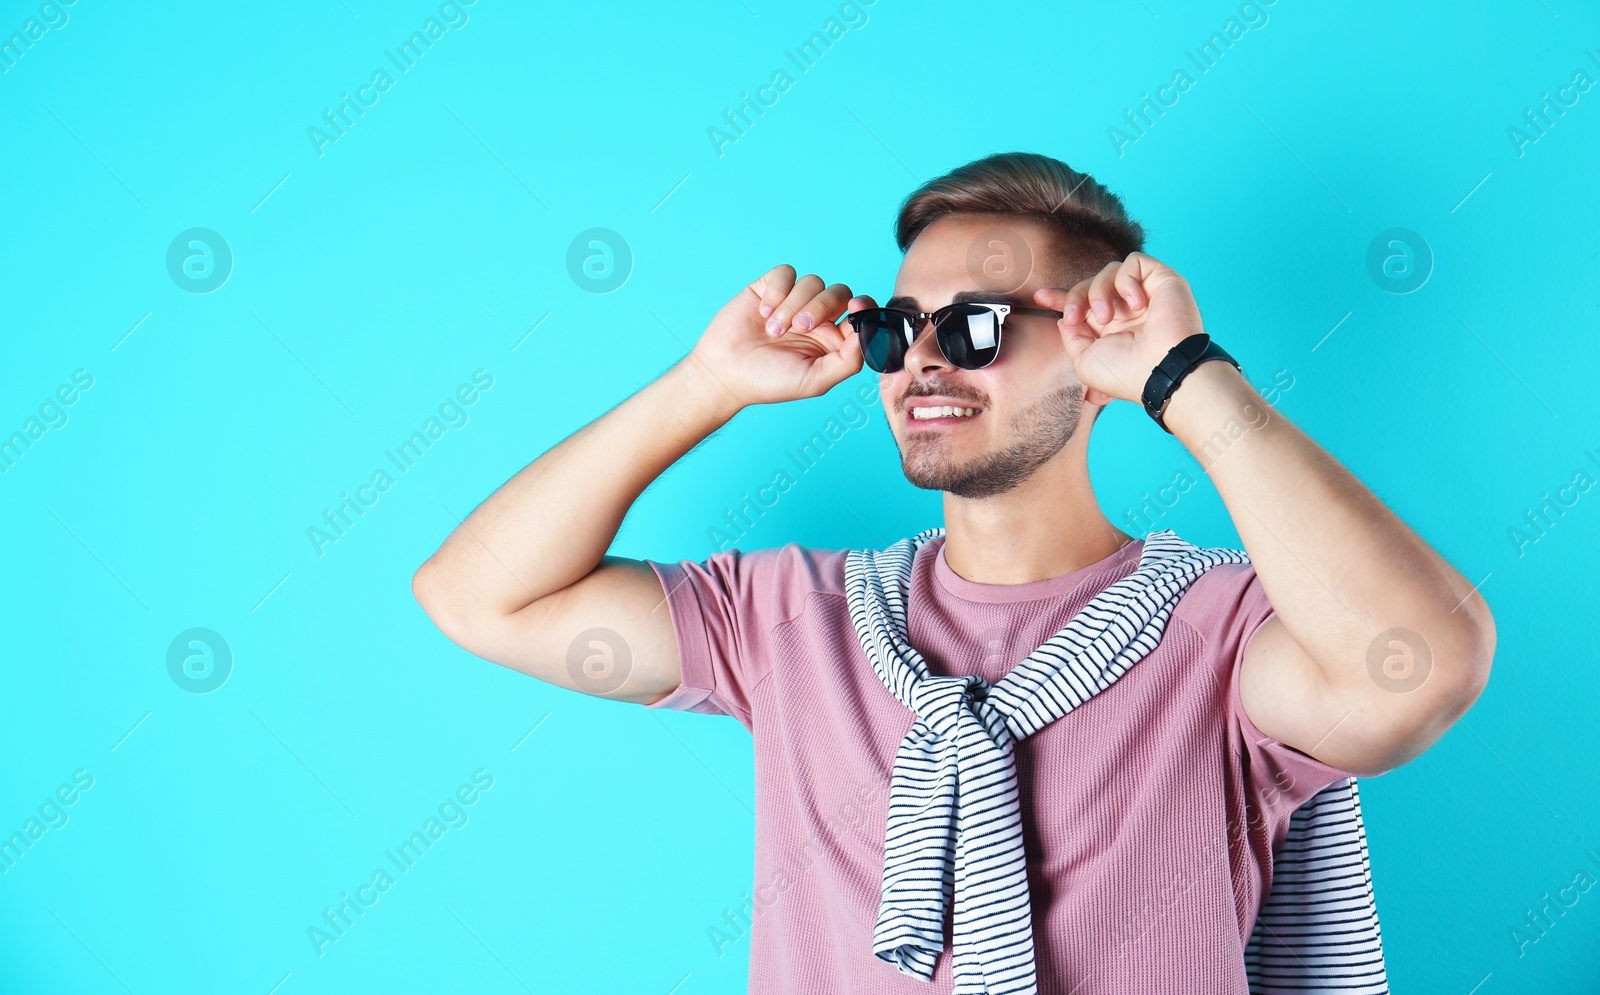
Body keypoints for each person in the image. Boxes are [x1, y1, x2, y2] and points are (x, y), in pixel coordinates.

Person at [411, 151, 1495, 993]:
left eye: (976, 326)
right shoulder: (795, 618)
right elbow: (477, 594)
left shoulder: (1225, 636)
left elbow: (1419, 669)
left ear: (1091, 348)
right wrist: (705, 383)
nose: (922, 359)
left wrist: (1183, 377)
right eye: (896, 330)